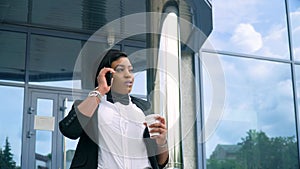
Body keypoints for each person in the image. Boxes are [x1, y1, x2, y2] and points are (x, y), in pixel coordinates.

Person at [59, 49, 169, 169]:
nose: (128, 75)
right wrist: (100, 91)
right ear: (107, 74)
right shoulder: (92, 106)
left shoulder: (144, 108)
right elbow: (69, 130)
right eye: (120, 70)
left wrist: (162, 142)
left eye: (130, 70)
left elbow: (160, 162)